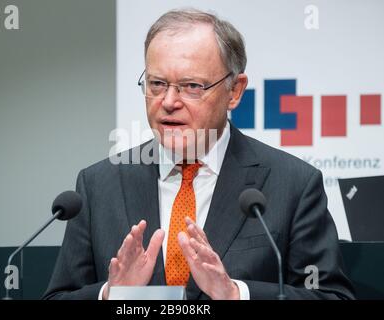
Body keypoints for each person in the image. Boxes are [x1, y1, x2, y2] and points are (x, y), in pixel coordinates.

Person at [43, 8, 354, 300]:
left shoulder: (293, 184)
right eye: (156, 83)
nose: (168, 101)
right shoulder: (98, 185)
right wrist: (110, 294)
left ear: (234, 91)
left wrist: (235, 294)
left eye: (191, 86)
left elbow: (330, 295)